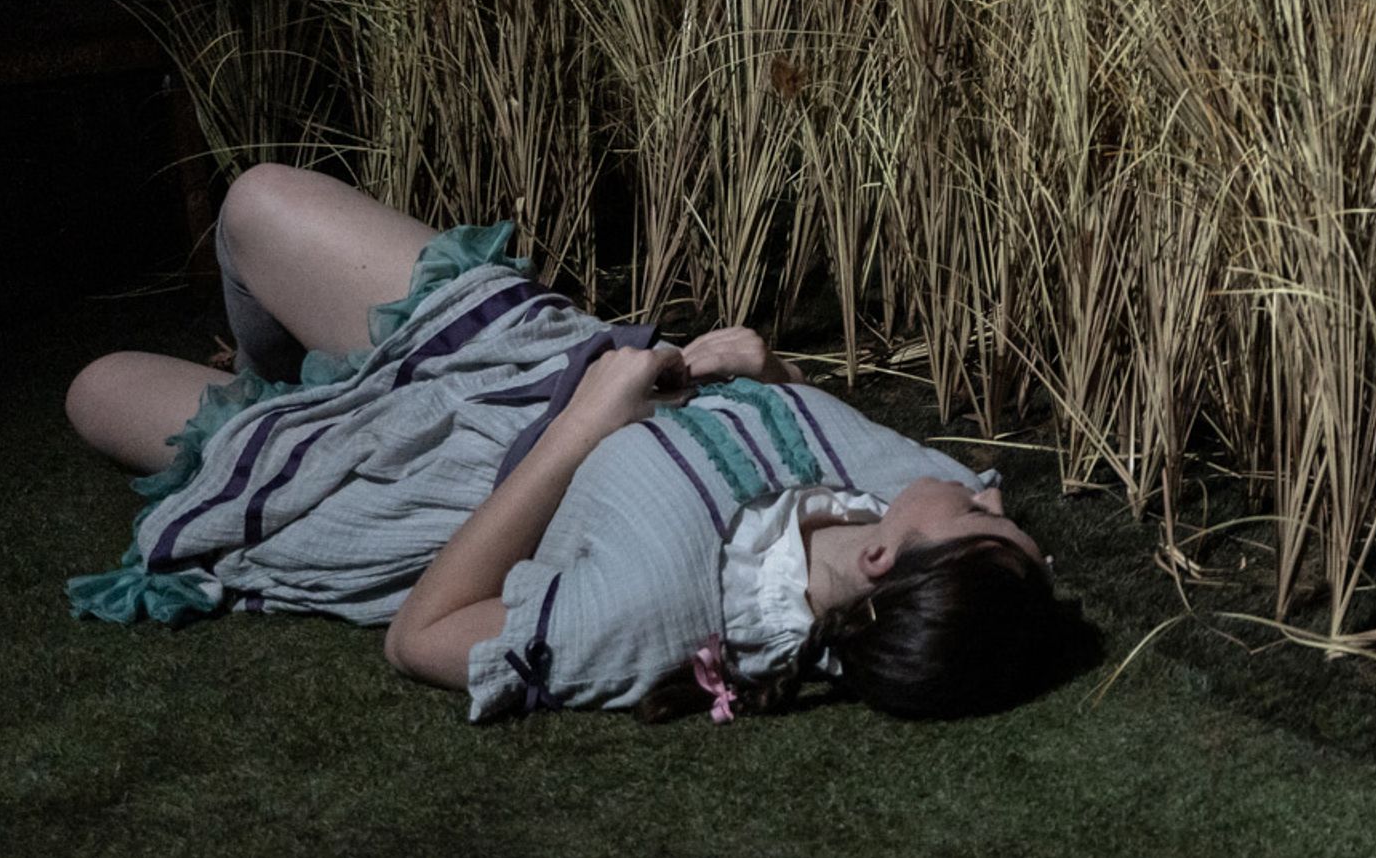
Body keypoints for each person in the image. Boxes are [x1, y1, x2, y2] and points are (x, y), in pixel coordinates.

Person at [64, 163, 1095, 718]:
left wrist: (587, 426)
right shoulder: (905, 491)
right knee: (255, 201)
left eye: (979, 514)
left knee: (95, 388)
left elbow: (420, 639)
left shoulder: (650, 621)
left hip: (438, 473)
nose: (989, 491)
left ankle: (305, 414)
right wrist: (763, 370)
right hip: (523, 352)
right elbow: (828, 431)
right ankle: (297, 382)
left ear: (880, 563)